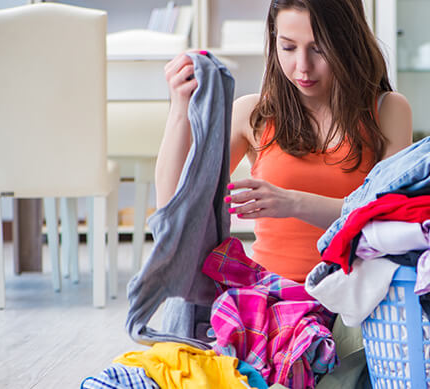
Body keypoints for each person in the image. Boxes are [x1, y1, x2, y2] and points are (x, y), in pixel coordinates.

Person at [156, 0, 413, 283]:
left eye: (319, 49)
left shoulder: (388, 111)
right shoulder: (254, 114)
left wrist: (292, 202)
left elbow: (388, 217)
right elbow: (174, 211)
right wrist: (180, 108)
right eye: (288, 47)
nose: (302, 67)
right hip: (271, 298)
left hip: (353, 297)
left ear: (348, 43)